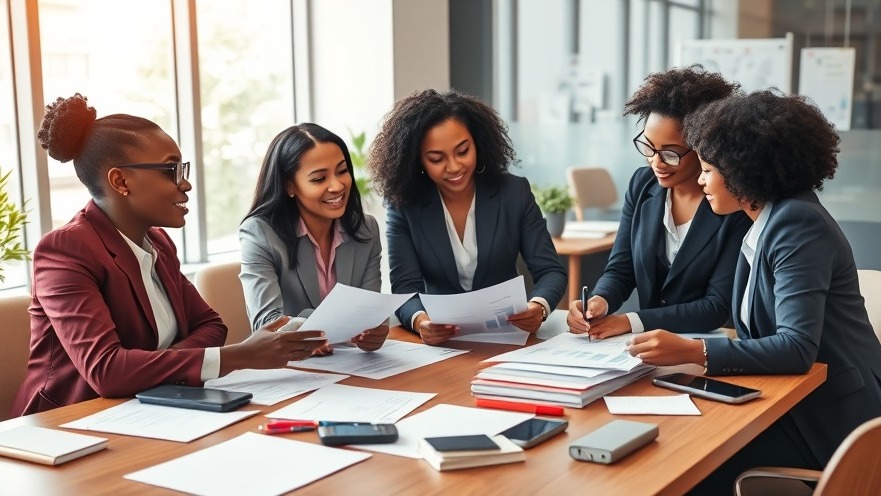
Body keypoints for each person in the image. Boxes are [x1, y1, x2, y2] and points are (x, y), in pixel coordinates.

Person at [628, 90, 881, 493]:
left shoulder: (796, 223)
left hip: (832, 421)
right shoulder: (765, 223)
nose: (700, 180)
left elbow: (796, 347)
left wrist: (695, 352)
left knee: (687, 465)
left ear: (743, 171)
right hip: (791, 401)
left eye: (708, 170)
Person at [12, 94, 327, 417]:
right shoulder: (64, 251)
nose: (186, 183)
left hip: (151, 408)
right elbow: (107, 371)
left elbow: (210, 325)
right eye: (170, 170)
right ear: (120, 181)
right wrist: (241, 356)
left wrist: (147, 365)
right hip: (72, 422)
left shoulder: (158, 242)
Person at [368, 89, 567, 345]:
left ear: (478, 143)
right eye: (436, 158)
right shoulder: (404, 206)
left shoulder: (513, 193)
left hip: (509, 338)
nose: (454, 167)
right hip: (441, 344)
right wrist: (421, 321)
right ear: (417, 161)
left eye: (462, 151)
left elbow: (550, 271)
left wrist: (538, 307)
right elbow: (405, 287)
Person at [567, 66, 751, 339]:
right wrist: (600, 300)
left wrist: (632, 321)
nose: (656, 162)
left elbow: (717, 306)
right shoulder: (643, 184)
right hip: (650, 347)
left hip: (713, 345)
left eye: (670, 153)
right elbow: (621, 267)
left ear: (704, 147)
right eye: (649, 147)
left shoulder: (733, 200)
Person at [239, 123, 388, 354]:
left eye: (342, 171)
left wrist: (374, 331)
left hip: (352, 365)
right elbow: (267, 324)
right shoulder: (259, 233)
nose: (337, 186)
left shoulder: (365, 229)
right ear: (290, 186)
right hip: (294, 369)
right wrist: (321, 329)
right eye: (319, 179)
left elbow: (369, 310)